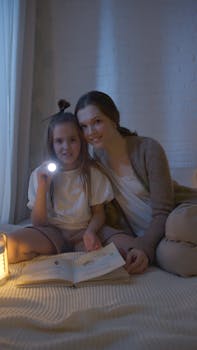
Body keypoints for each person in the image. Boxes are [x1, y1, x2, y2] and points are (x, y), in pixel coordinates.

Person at [75, 90, 197, 276]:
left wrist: (143, 246)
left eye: (97, 122)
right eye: (83, 126)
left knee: (178, 224)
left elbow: (163, 211)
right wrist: (141, 247)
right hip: (156, 236)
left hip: (175, 215)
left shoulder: (148, 149)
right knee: (176, 259)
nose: (90, 132)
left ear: (113, 119)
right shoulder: (96, 164)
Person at [7, 100, 134, 264]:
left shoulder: (93, 173)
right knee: (11, 243)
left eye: (72, 140)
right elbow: (38, 222)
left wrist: (90, 232)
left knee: (128, 245)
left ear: (81, 141)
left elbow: (98, 213)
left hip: (85, 232)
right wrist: (43, 188)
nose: (66, 147)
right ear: (52, 144)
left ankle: (93, 254)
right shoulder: (40, 174)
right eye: (59, 141)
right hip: (52, 233)